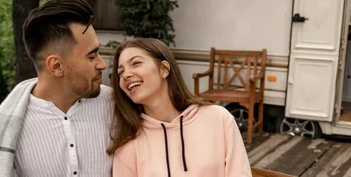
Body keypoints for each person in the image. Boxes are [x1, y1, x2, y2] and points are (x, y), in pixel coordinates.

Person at [0, 0, 113, 177]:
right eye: (91, 56)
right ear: (57, 66)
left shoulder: (117, 106)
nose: (102, 64)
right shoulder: (7, 131)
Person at [107, 38, 252, 177]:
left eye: (136, 63)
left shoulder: (218, 119)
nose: (126, 75)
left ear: (164, 69)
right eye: (120, 72)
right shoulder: (128, 145)